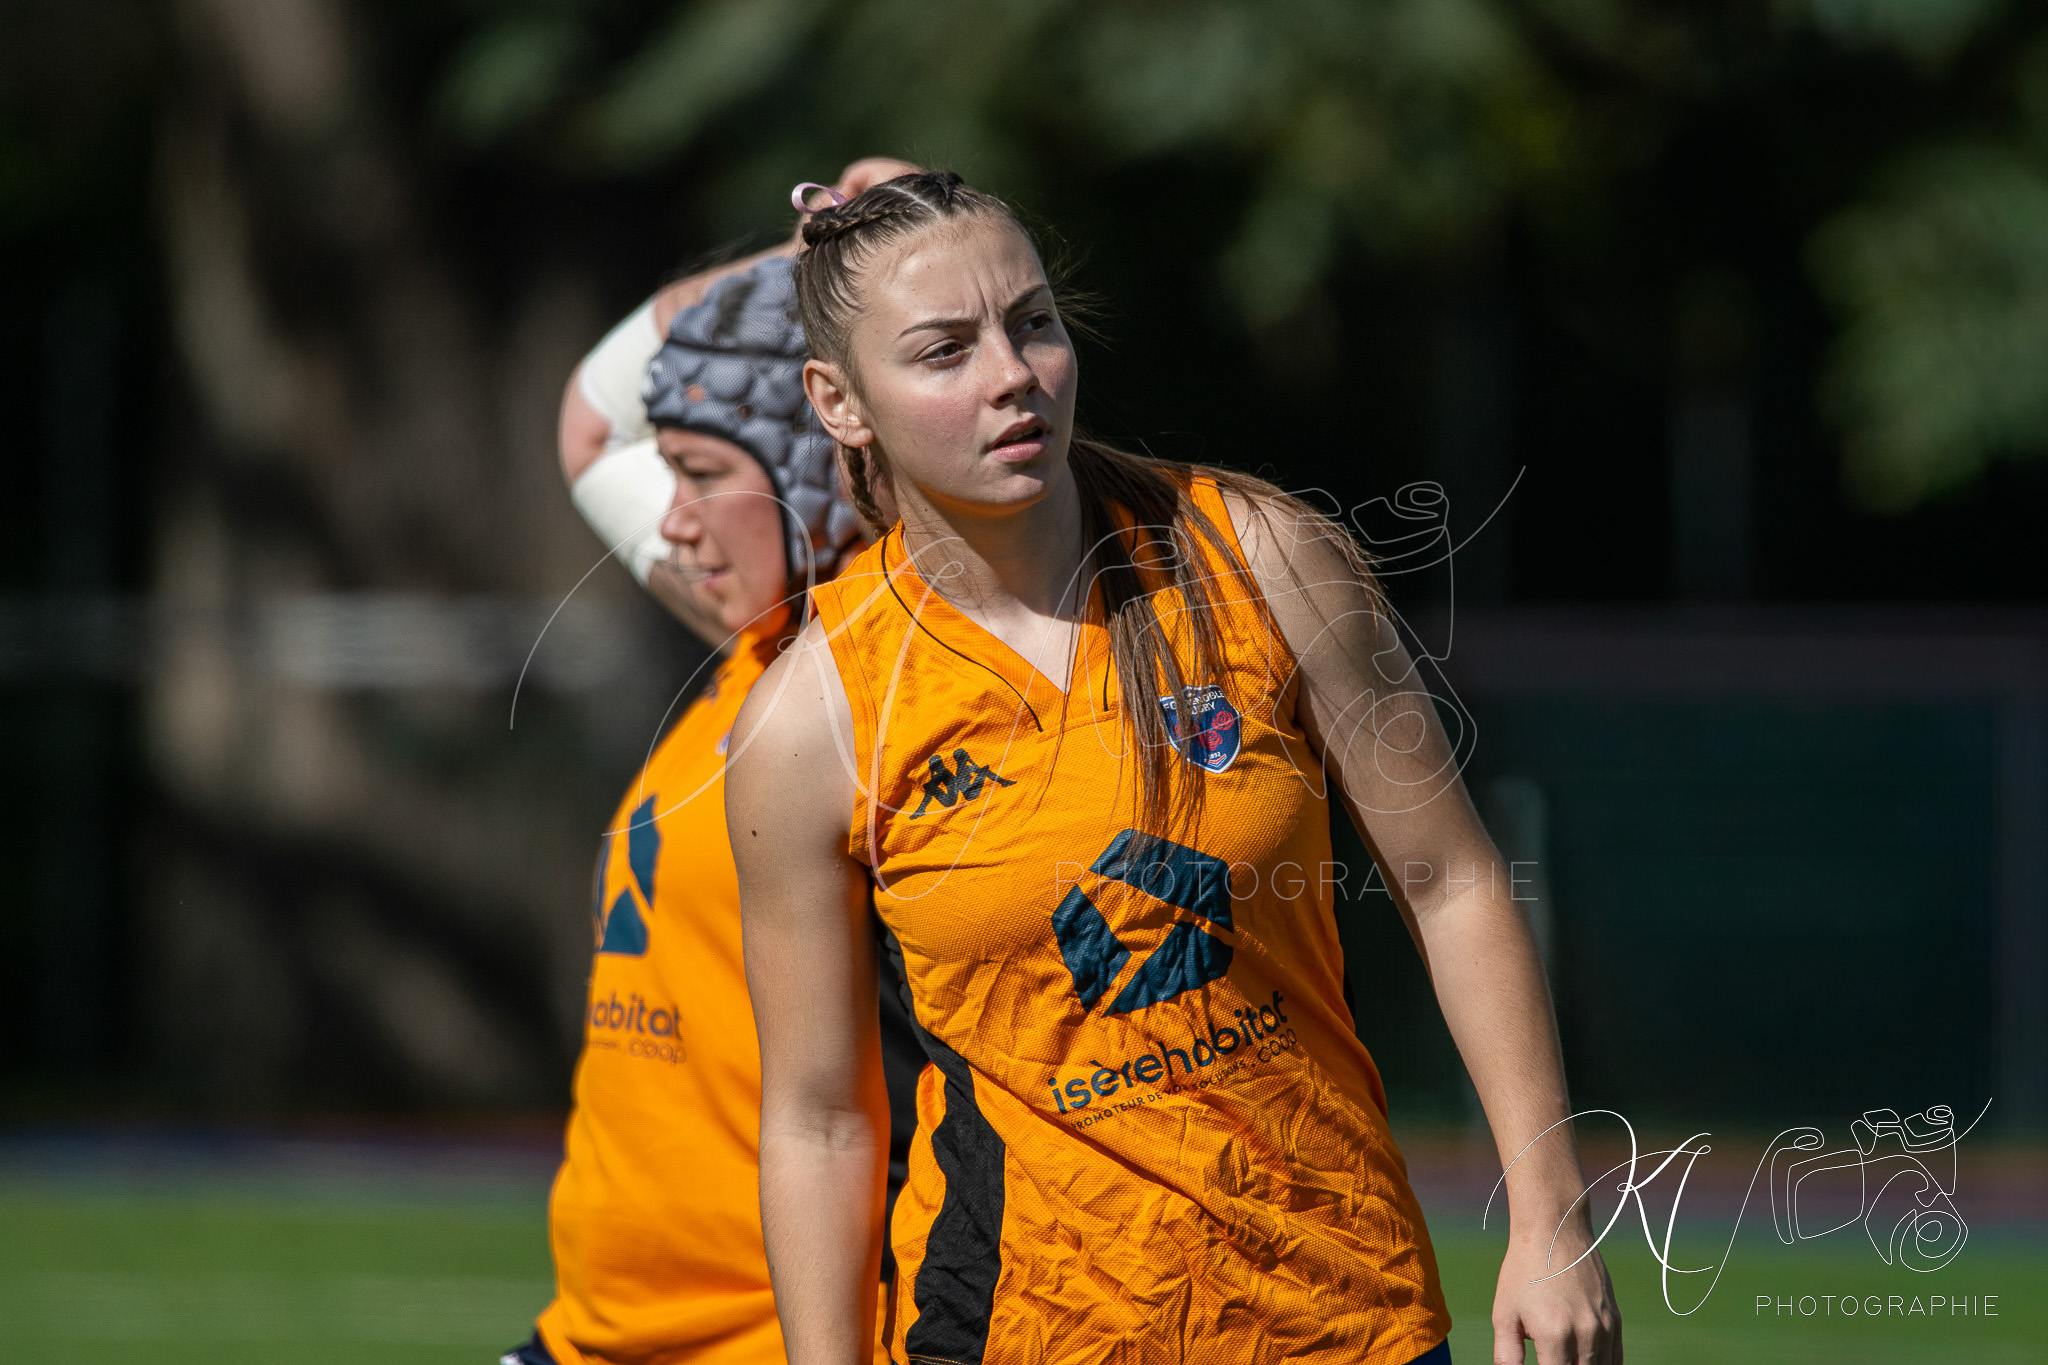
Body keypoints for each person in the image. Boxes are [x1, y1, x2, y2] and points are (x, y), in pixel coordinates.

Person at [726, 172, 1623, 1365]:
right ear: (838, 402)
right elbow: (819, 1118)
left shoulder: (1261, 556)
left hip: (1338, 1313)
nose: (1011, 375)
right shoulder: (811, 716)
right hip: (1018, 1328)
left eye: (1032, 323)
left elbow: (1449, 883)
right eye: (943, 352)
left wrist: (1550, 1222)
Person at [505, 158, 923, 1365]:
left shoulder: (888, 683)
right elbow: (592, 417)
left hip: (772, 1334)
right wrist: (821, 255)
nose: (669, 516)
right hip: (596, 1334)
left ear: (820, 479)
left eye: (700, 474)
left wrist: (888, 278)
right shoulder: (751, 641)